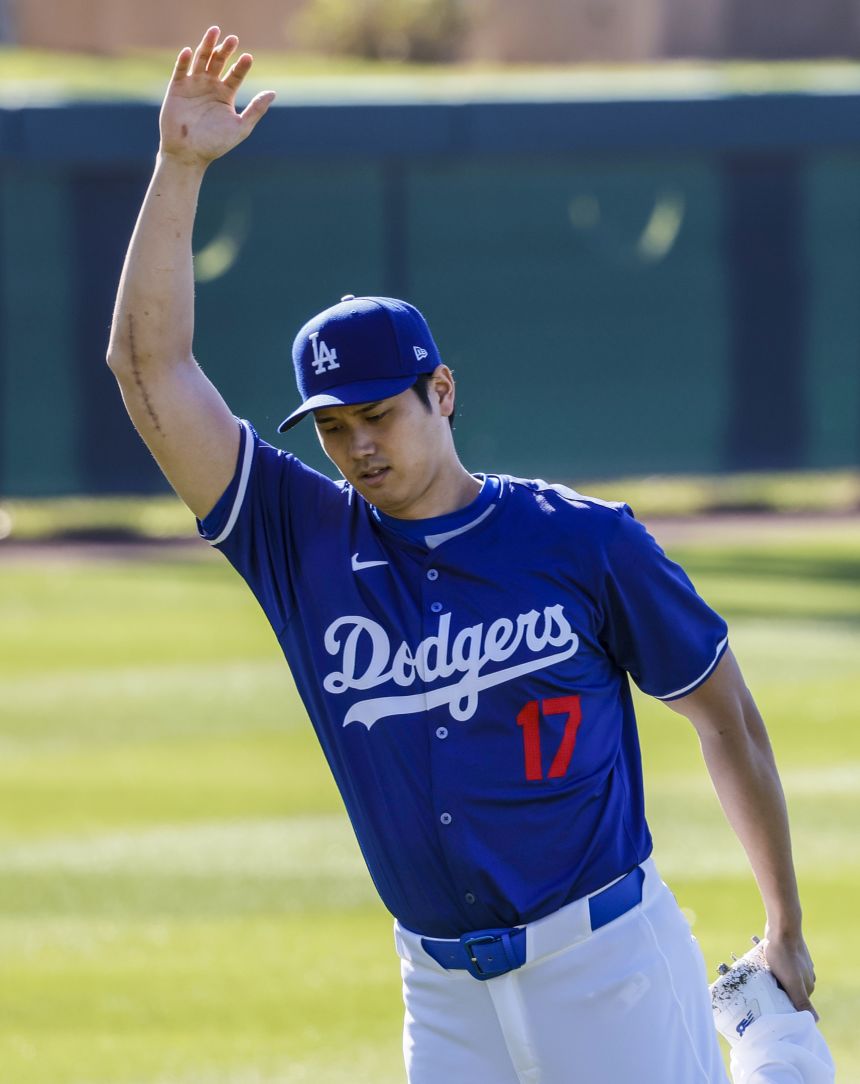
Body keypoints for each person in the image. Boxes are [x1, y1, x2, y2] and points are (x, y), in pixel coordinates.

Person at [107, 27, 835, 1084]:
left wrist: (783, 920)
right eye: (332, 426)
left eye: (379, 414)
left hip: (605, 963)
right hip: (440, 992)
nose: (357, 444)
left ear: (438, 394)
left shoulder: (580, 541)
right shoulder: (298, 540)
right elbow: (148, 369)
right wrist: (178, 170)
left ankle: (770, 1035)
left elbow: (722, 714)